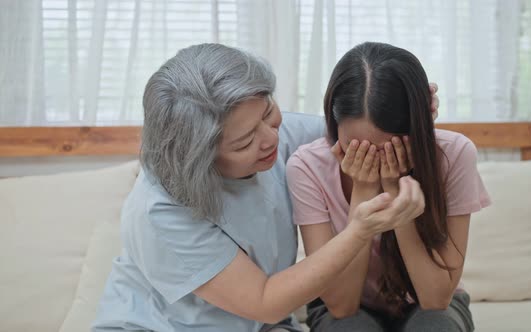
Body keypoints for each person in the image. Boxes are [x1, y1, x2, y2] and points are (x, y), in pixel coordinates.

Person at [92, 43, 440, 332]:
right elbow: (264, 302)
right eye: (244, 143)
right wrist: (360, 229)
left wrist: (406, 117)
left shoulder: (275, 136)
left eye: (269, 112)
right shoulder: (161, 213)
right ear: (198, 159)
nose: (272, 137)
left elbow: (359, 135)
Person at [286, 42, 491, 332]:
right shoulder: (307, 166)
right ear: (334, 124)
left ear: (416, 129)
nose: (373, 159)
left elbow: (435, 299)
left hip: (429, 302)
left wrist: (397, 195)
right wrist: (364, 189)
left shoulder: (454, 153)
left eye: (390, 148)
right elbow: (342, 306)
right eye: (355, 147)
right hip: (345, 306)